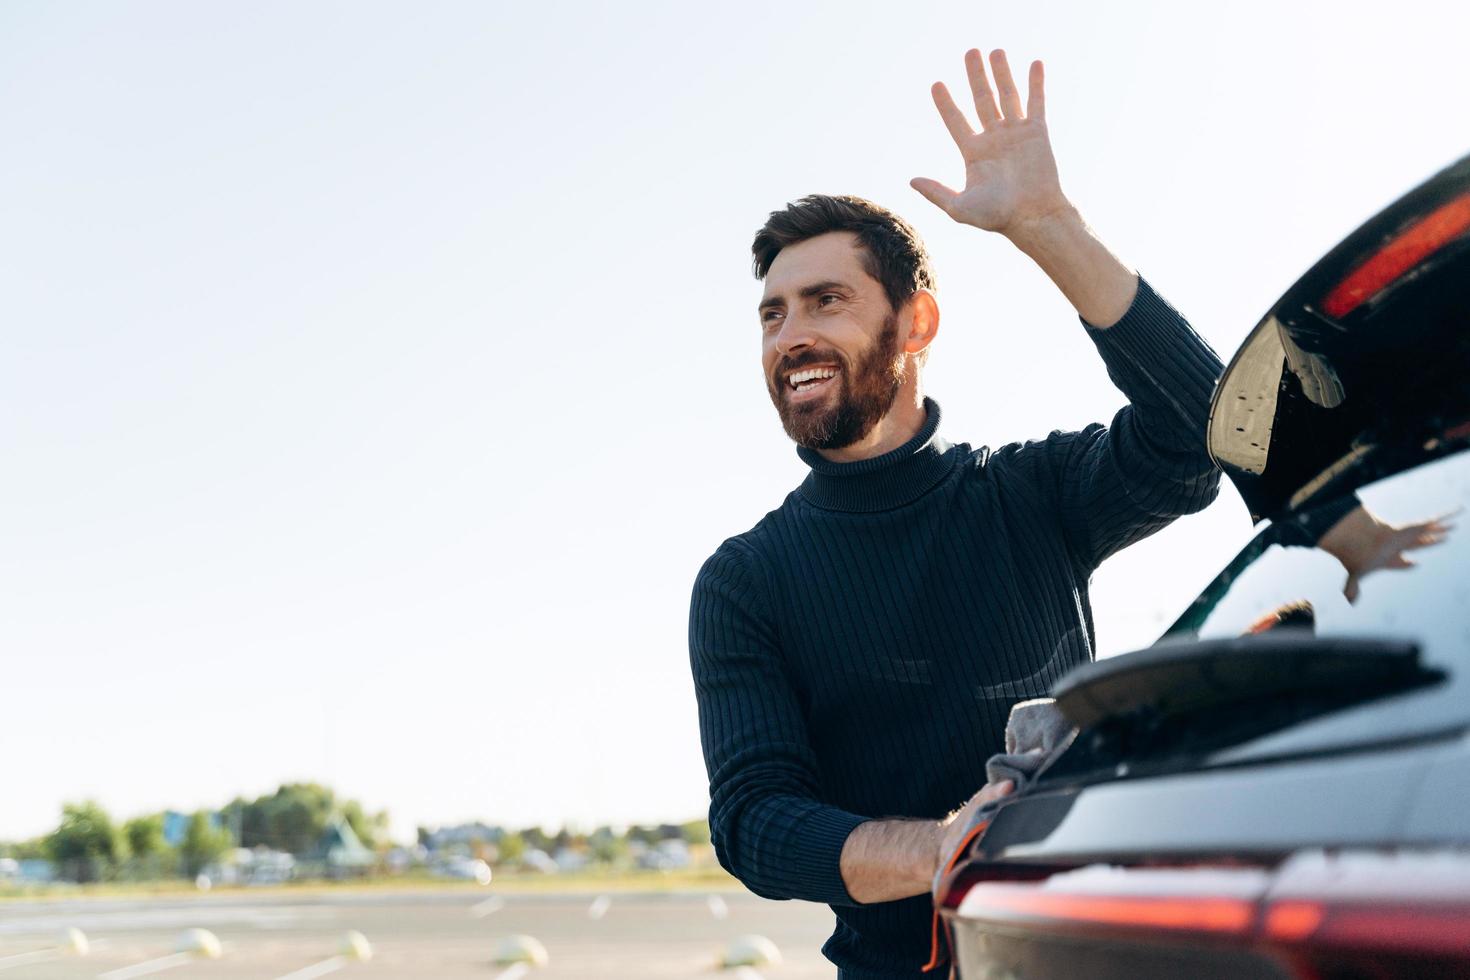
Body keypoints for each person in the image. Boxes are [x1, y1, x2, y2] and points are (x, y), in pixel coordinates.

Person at [688, 48, 1223, 978]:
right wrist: (949, 847)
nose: (792, 334)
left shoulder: (1029, 496)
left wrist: (1049, 225)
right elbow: (757, 822)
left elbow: (1202, 436)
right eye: (772, 314)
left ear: (916, 325)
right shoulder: (745, 579)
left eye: (827, 301)